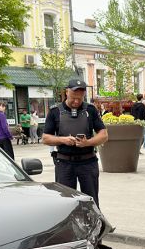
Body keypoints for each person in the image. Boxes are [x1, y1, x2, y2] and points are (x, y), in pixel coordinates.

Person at [43, 78, 108, 206]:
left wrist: (87, 142)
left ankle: (92, 225)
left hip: (88, 163)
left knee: (91, 201)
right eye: (73, 97)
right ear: (66, 92)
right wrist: (63, 140)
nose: (76, 101)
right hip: (64, 163)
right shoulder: (55, 111)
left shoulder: (90, 110)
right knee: (65, 202)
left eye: (80, 98)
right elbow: (45, 138)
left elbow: (104, 135)